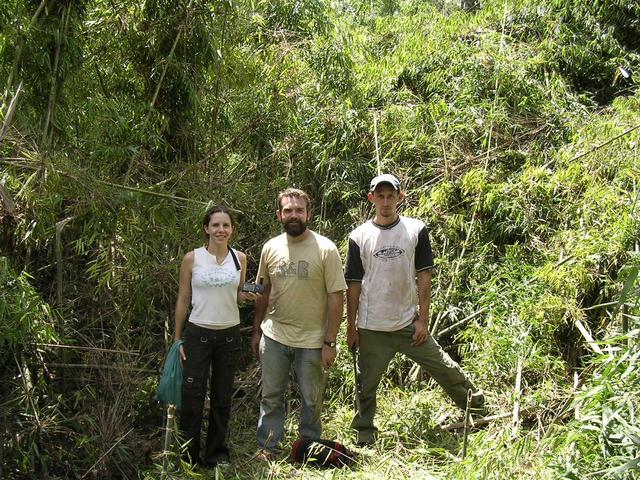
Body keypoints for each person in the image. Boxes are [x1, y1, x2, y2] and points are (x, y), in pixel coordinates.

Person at [345, 174, 485, 446]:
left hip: (410, 323)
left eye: (391, 196)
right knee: (366, 384)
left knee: (445, 367)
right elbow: (353, 284)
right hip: (372, 326)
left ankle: (477, 409)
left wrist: (423, 320)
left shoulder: (415, 230)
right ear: (371, 198)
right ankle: (364, 432)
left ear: (401, 197)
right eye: (380, 196)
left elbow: (424, 275)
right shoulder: (359, 236)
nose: (386, 202)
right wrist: (351, 326)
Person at [251, 188, 347, 458]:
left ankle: (309, 449)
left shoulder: (326, 249)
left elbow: (335, 297)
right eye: (288, 210)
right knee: (271, 397)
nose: (294, 215)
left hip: (313, 340)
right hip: (274, 336)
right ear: (279, 214)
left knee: (311, 400)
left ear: (308, 213)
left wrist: (330, 341)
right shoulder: (270, 247)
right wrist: (257, 330)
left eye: (299, 210)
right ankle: (267, 446)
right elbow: (263, 291)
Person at [173, 205, 258, 467]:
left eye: (226, 225)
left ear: (232, 229)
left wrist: (252, 293)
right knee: (192, 396)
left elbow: (238, 294)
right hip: (197, 333)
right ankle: (188, 455)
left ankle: (216, 455)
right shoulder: (192, 258)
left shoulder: (239, 258)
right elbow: (183, 299)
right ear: (206, 229)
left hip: (228, 335)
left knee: (222, 397)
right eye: (216, 225)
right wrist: (178, 339)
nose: (221, 230)